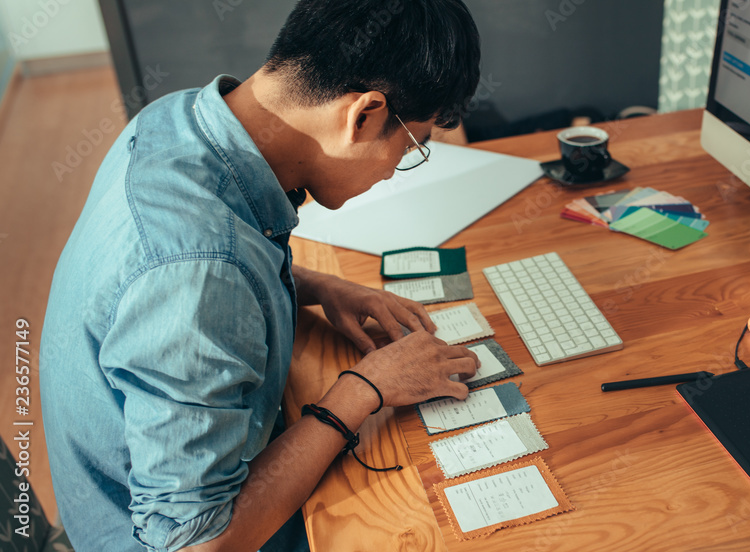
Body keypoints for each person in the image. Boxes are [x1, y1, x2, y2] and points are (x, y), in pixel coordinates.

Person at [39, 1, 482, 550]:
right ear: (364, 114)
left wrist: (316, 286)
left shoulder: (180, 119)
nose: (395, 169)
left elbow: (206, 261)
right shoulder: (196, 274)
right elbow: (192, 544)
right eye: (412, 147)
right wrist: (364, 389)